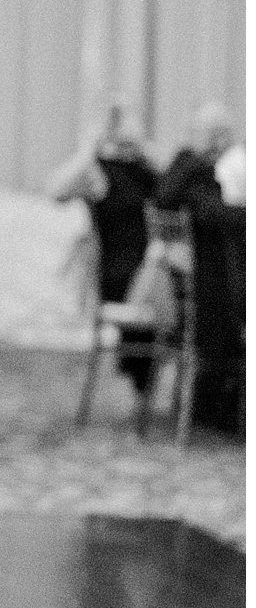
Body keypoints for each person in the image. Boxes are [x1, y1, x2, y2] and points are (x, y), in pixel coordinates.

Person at [48, 100, 161, 396]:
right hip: (121, 273)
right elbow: (56, 190)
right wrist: (91, 144)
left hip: (151, 271)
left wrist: (142, 146)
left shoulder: (147, 170)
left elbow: (173, 179)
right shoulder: (100, 171)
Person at [156, 102, 245, 435]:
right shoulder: (198, 173)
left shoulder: (191, 172)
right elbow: (211, 212)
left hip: (199, 297)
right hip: (210, 304)